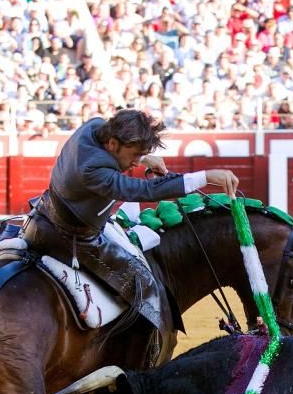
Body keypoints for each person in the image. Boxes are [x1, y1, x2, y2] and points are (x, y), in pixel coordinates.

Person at [22, 109, 238, 327]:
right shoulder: (92, 170)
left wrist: (144, 157)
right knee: (143, 286)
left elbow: (117, 149)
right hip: (72, 238)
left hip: (46, 214)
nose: (136, 163)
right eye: (134, 155)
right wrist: (205, 177)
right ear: (114, 144)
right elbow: (143, 191)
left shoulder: (95, 126)